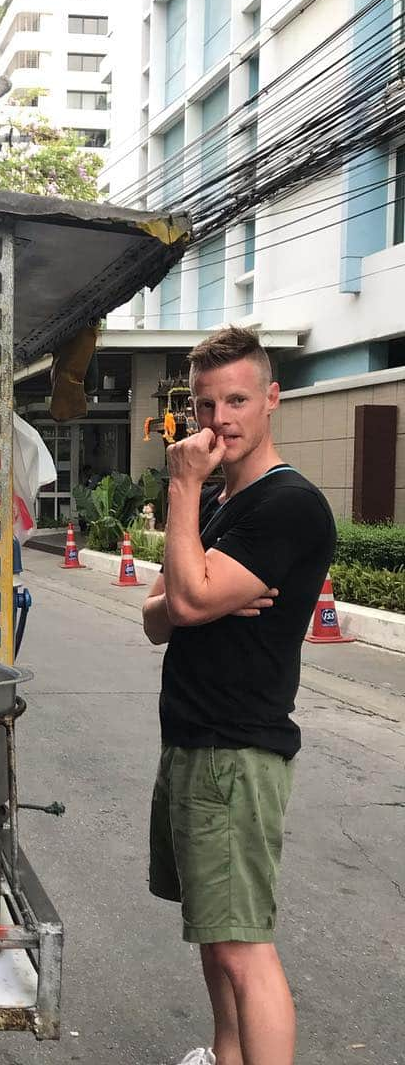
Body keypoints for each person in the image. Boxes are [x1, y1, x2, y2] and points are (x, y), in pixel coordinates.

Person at [141, 328, 335, 1065]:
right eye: (205, 402)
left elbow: (184, 605)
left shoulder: (288, 506)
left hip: (236, 751)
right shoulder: (227, 501)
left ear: (272, 400)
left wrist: (183, 490)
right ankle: (227, 1056)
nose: (219, 418)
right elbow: (158, 615)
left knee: (244, 947)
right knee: (212, 935)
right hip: (194, 743)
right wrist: (195, 590)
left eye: (237, 400)